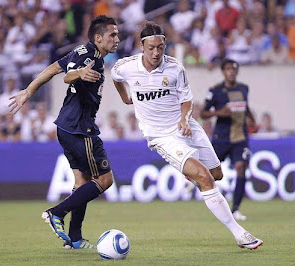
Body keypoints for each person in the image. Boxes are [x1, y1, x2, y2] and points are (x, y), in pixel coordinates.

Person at [111, 21, 262, 250]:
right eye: (151, 48)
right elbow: (115, 76)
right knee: (204, 177)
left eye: (160, 47)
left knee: (216, 174)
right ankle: (240, 234)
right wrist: (125, 97)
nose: (156, 53)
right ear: (142, 46)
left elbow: (187, 100)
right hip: (160, 136)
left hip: (186, 126)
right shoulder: (126, 66)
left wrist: (184, 119)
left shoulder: (175, 67)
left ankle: (190, 175)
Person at [9, 15, 120, 249]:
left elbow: (53, 69)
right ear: (98, 38)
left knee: (82, 181)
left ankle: (75, 240)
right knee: (105, 179)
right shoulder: (90, 57)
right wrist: (79, 74)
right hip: (81, 128)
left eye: (117, 34)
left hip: (66, 126)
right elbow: (68, 76)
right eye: (112, 35)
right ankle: (56, 213)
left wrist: (28, 91)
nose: (117, 39)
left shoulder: (82, 51)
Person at [200, 58, 257, 222]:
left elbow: (246, 107)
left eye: (234, 69)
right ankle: (195, 184)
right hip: (221, 138)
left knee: (241, 168)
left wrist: (252, 119)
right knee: (212, 172)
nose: (231, 72)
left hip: (240, 137)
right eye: (228, 69)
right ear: (223, 72)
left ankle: (236, 209)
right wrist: (218, 113)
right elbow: (203, 113)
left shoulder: (244, 88)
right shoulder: (215, 90)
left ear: (237, 71)